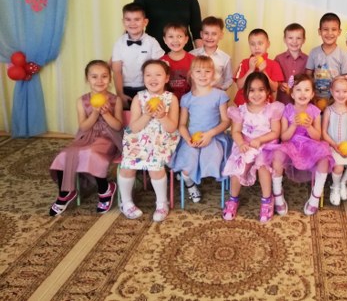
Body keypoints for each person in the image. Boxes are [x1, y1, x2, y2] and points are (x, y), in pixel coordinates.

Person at [49, 60, 122, 216]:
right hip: (86, 136)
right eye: (94, 77)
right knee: (64, 155)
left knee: (91, 154)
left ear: (110, 78)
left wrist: (105, 113)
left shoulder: (116, 100)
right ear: (87, 79)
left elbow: (117, 126)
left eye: (104, 76)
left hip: (108, 138)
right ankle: (65, 192)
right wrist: (95, 113)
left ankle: (105, 189)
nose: (99, 80)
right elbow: (83, 127)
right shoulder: (81, 101)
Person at [118, 60, 180, 222]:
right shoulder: (139, 98)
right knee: (127, 167)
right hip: (138, 140)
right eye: (148, 75)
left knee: (155, 168)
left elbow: (172, 127)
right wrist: (147, 115)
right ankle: (126, 202)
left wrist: (162, 116)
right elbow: (134, 127)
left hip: (161, 140)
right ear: (143, 78)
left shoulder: (171, 99)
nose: (153, 78)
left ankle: (162, 203)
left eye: (158, 75)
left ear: (166, 78)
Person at [222, 72, 284, 223]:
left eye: (261, 90)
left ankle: (267, 200)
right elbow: (236, 132)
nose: (256, 94)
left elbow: (275, 132)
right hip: (246, 144)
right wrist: (241, 143)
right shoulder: (241, 111)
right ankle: (233, 199)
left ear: (267, 91)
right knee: (237, 166)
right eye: (252, 90)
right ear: (246, 92)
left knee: (262, 166)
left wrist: (260, 139)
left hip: (266, 144)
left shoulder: (272, 109)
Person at [270, 74, 335, 216]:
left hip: (309, 144)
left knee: (324, 157)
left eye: (306, 90)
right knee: (277, 155)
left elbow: (317, 137)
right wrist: (293, 125)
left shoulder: (315, 111)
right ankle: (278, 195)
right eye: (298, 90)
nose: (302, 93)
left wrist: (309, 126)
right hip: (291, 145)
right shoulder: (287, 110)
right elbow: (284, 137)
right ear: (292, 94)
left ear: (312, 94)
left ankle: (315, 197)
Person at [171, 56, 231, 202]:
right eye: (198, 71)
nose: (203, 75)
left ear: (213, 74)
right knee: (187, 166)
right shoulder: (186, 98)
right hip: (191, 138)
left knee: (211, 159)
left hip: (214, 137)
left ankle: (200, 174)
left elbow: (226, 121)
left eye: (207, 71)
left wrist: (210, 134)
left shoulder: (220, 95)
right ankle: (189, 183)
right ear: (191, 74)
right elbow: (182, 125)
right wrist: (188, 139)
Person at [111, 3, 164, 109]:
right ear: (123, 22)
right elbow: (116, 71)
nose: (132, 23)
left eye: (137, 19)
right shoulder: (119, 43)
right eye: (128, 19)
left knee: (149, 115)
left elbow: (160, 68)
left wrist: (157, 91)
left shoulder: (152, 42)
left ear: (145, 22)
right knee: (127, 117)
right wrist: (120, 94)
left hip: (148, 88)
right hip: (125, 89)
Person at [321, 76, 347, 206]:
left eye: (344, 91)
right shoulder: (328, 110)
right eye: (337, 91)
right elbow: (324, 132)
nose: (341, 94)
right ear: (332, 92)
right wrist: (334, 145)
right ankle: (335, 186)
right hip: (332, 145)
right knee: (338, 167)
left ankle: (343, 182)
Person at [306, 12, 347, 106]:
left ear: (339, 32)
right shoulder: (314, 52)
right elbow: (308, 75)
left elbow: (346, 80)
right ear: (319, 31)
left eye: (334, 29)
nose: (329, 33)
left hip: (335, 100)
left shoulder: (343, 55)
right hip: (316, 99)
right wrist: (311, 94)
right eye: (325, 29)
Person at [233, 28, 284, 106]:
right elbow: (239, 86)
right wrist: (250, 70)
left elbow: (274, 88)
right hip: (244, 104)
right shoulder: (244, 63)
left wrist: (263, 72)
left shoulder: (274, 64)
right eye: (252, 44)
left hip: (265, 105)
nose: (256, 47)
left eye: (260, 43)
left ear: (268, 44)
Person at [190, 16, 233, 91]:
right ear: (201, 34)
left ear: (221, 35)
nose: (209, 37)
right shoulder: (192, 55)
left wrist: (221, 88)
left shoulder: (225, 58)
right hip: (196, 93)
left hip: (216, 95)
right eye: (206, 33)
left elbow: (229, 79)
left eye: (214, 34)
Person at [275, 23, 308, 105]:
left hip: (300, 103)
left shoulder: (308, 59)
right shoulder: (278, 58)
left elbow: (310, 80)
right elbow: (273, 79)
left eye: (298, 38)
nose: (294, 41)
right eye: (290, 38)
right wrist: (280, 85)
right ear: (284, 39)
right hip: (282, 102)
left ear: (304, 40)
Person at [160, 23, 194, 100]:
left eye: (179, 36)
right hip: (168, 102)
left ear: (186, 39)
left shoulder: (194, 60)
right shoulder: (161, 62)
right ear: (165, 40)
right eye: (171, 37)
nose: (175, 40)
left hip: (189, 101)